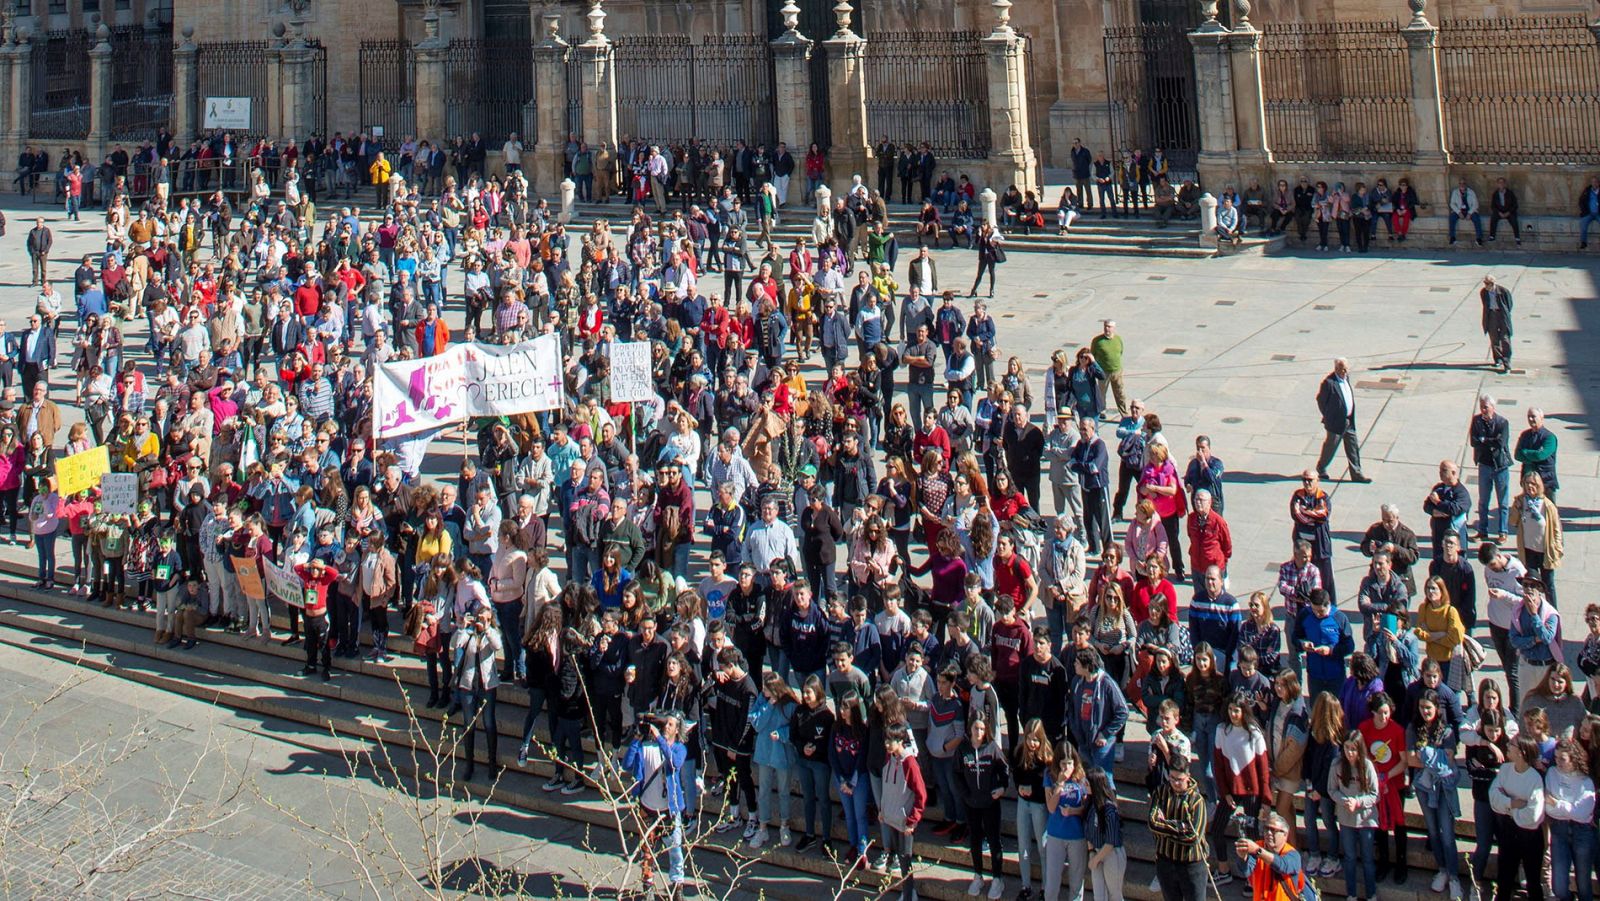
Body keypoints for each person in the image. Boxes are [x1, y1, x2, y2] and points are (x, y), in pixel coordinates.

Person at [621, 710, 690, 898]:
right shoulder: (646, 747)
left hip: (669, 810)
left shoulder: (678, 748)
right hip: (647, 808)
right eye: (664, 724)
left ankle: (677, 886)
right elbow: (627, 765)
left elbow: (674, 762)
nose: (666, 727)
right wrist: (636, 739)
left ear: (677, 730)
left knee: (675, 849)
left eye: (670, 725)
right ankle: (648, 885)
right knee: (647, 852)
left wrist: (660, 739)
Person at [955, 716, 1010, 898]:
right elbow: (957, 774)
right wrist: (965, 794)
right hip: (971, 803)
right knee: (975, 840)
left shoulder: (992, 748)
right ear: (970, 728)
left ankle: (997, 878)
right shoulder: (963, 749)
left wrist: (1002, 788)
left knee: (994, 841)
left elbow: (1004, 770)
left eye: (981, 728)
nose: (978, 732)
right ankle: (978, 875)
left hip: (990, 803)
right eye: (975, 728)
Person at [1488, 736, 1546, 901]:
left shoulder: (1535, 778)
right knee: (1504, 879)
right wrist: (1513, 803)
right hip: (1508, 831)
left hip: (1530, 836)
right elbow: (1493, 797)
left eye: (1511, 744)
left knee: (1533, 881)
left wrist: (1507, 809)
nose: (1507, 745)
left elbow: (1533, 815)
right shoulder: (1505, 770)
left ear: (1522, 752)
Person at [451, 602, 503, 782]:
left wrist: (487, 628)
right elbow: (456, 644)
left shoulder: (492, 633)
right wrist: (462, 627)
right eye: (481, 618)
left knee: (489, 723)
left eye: (487, 619)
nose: (482, 621)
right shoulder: (469, 633)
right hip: (468, 684)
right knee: (468, 724)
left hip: (487, 685)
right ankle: (469, 764)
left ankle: (492, 763)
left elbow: (497, 646)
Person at [1149, 753, 1209, 901]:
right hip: (1166, 862)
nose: (1175, 783)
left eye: (1180, 780)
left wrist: (1166, 824)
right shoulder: (1161, 793)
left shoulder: (1196, 800)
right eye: (1172, 778)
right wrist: (1180, 827)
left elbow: (1193, 836)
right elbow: (1152, 823)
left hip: (1191, 866)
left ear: (1188, 776)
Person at [1329, 730, 1379, 901]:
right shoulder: (1336, 765)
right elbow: (1332, 789)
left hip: (1366, 819)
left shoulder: (1367, 765)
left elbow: (1375, 794)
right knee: (1349, 858)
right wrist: (1344, 800)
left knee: (1367, 859)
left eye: (1353, 749)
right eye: (1347, 748)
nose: (1349, 753)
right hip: (1346, 819)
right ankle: (1351, 894)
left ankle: (1371, 894)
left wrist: (1357, 802)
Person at [879, 724, 927, 901]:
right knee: (899, 858)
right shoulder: (889, 758)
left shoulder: (910, 763)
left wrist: (912, 820)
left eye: (890, 740)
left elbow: (921, 794)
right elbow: (886, 786)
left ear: (900, 741)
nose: (887, 744)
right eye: (886, 739)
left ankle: (909, 894)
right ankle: (906, 892)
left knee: (905, 859)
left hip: (905, 822)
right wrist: (883, 809)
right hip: (890, 817)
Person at [1314, 358, 1370, 483]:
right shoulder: (1329, 383)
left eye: (1346, 368)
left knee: (1353, 447)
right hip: (1335, 423)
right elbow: (1320, 400)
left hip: (1349, 421)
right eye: (1342, 369)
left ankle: (1357, 474)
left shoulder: (1346, 378)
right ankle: (1321, 467)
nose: (1345, 371)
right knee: (1331, 446)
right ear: (1336, 369)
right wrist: (1329, 416)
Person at [1471, 394, 1513, 541]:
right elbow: (1474, 441)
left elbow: (1501, 443)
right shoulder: (1476, 421)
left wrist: (1484, 440)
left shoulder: (1502, 422)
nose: (1483, 410)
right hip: (1484, 465)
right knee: (1483, 501)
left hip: (1500, 466)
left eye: (1486, 407)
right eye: (1481, 407)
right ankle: (1483, 530)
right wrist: (1489, 441)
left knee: (1503, 502)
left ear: (1493, 408)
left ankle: (1503, 532)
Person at [1479, 276, 1514, 373]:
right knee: (1494, 338)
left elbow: (1509, 304)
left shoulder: (1503, 291)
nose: (1485, 286)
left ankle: (1507, 361)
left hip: (1502, 315)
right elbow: (1485, 304)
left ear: (1492, 283)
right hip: (1491, 315)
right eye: (1485, 283)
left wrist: (1504, 313)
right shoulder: (1484, 292)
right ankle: (1498, 359)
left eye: (1487, 284)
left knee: (1505, 339)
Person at [1448, 177, 1484, 246]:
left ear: (1466, 184)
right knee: (1452, 217)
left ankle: (1479, 238)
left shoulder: (1471, 192)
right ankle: (1452, 237)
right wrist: (1458, 212)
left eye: (1463, 183)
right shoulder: (1455, 192)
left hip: (1469, 210)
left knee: (1476, 218)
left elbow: (1476, 204)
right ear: (1458, 184)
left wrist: (1470, 213)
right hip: (1459, 211)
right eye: (1460, 183)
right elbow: (1452, 204)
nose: (1462, 185)